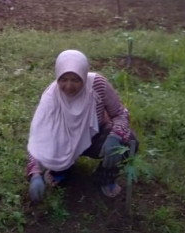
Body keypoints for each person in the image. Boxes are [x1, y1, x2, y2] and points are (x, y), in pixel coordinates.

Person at [27, 49, 138, 203]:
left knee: (128, 141)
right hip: (64, 141)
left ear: (84, 77)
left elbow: (120, 113)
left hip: (95, 136)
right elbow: (39, 137)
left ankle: (105, 177)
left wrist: (115, 136)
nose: (69, 86)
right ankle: (62, 170)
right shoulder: (51, 98)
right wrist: (35, 174)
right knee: (57, 160)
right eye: (63, 79)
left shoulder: (98, 85)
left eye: (75, 80)